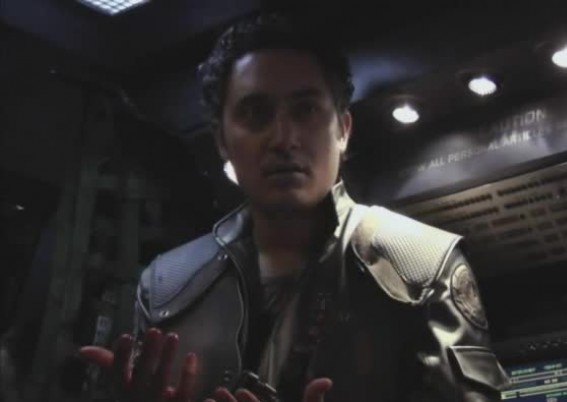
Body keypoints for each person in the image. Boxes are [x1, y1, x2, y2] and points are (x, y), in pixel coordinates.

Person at [80, 12, 509, 402]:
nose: (284, 138)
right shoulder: (166, 288)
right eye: (255, 113)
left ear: (343, 129)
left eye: (306, 110)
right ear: (221, 140)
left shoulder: (423, 268)